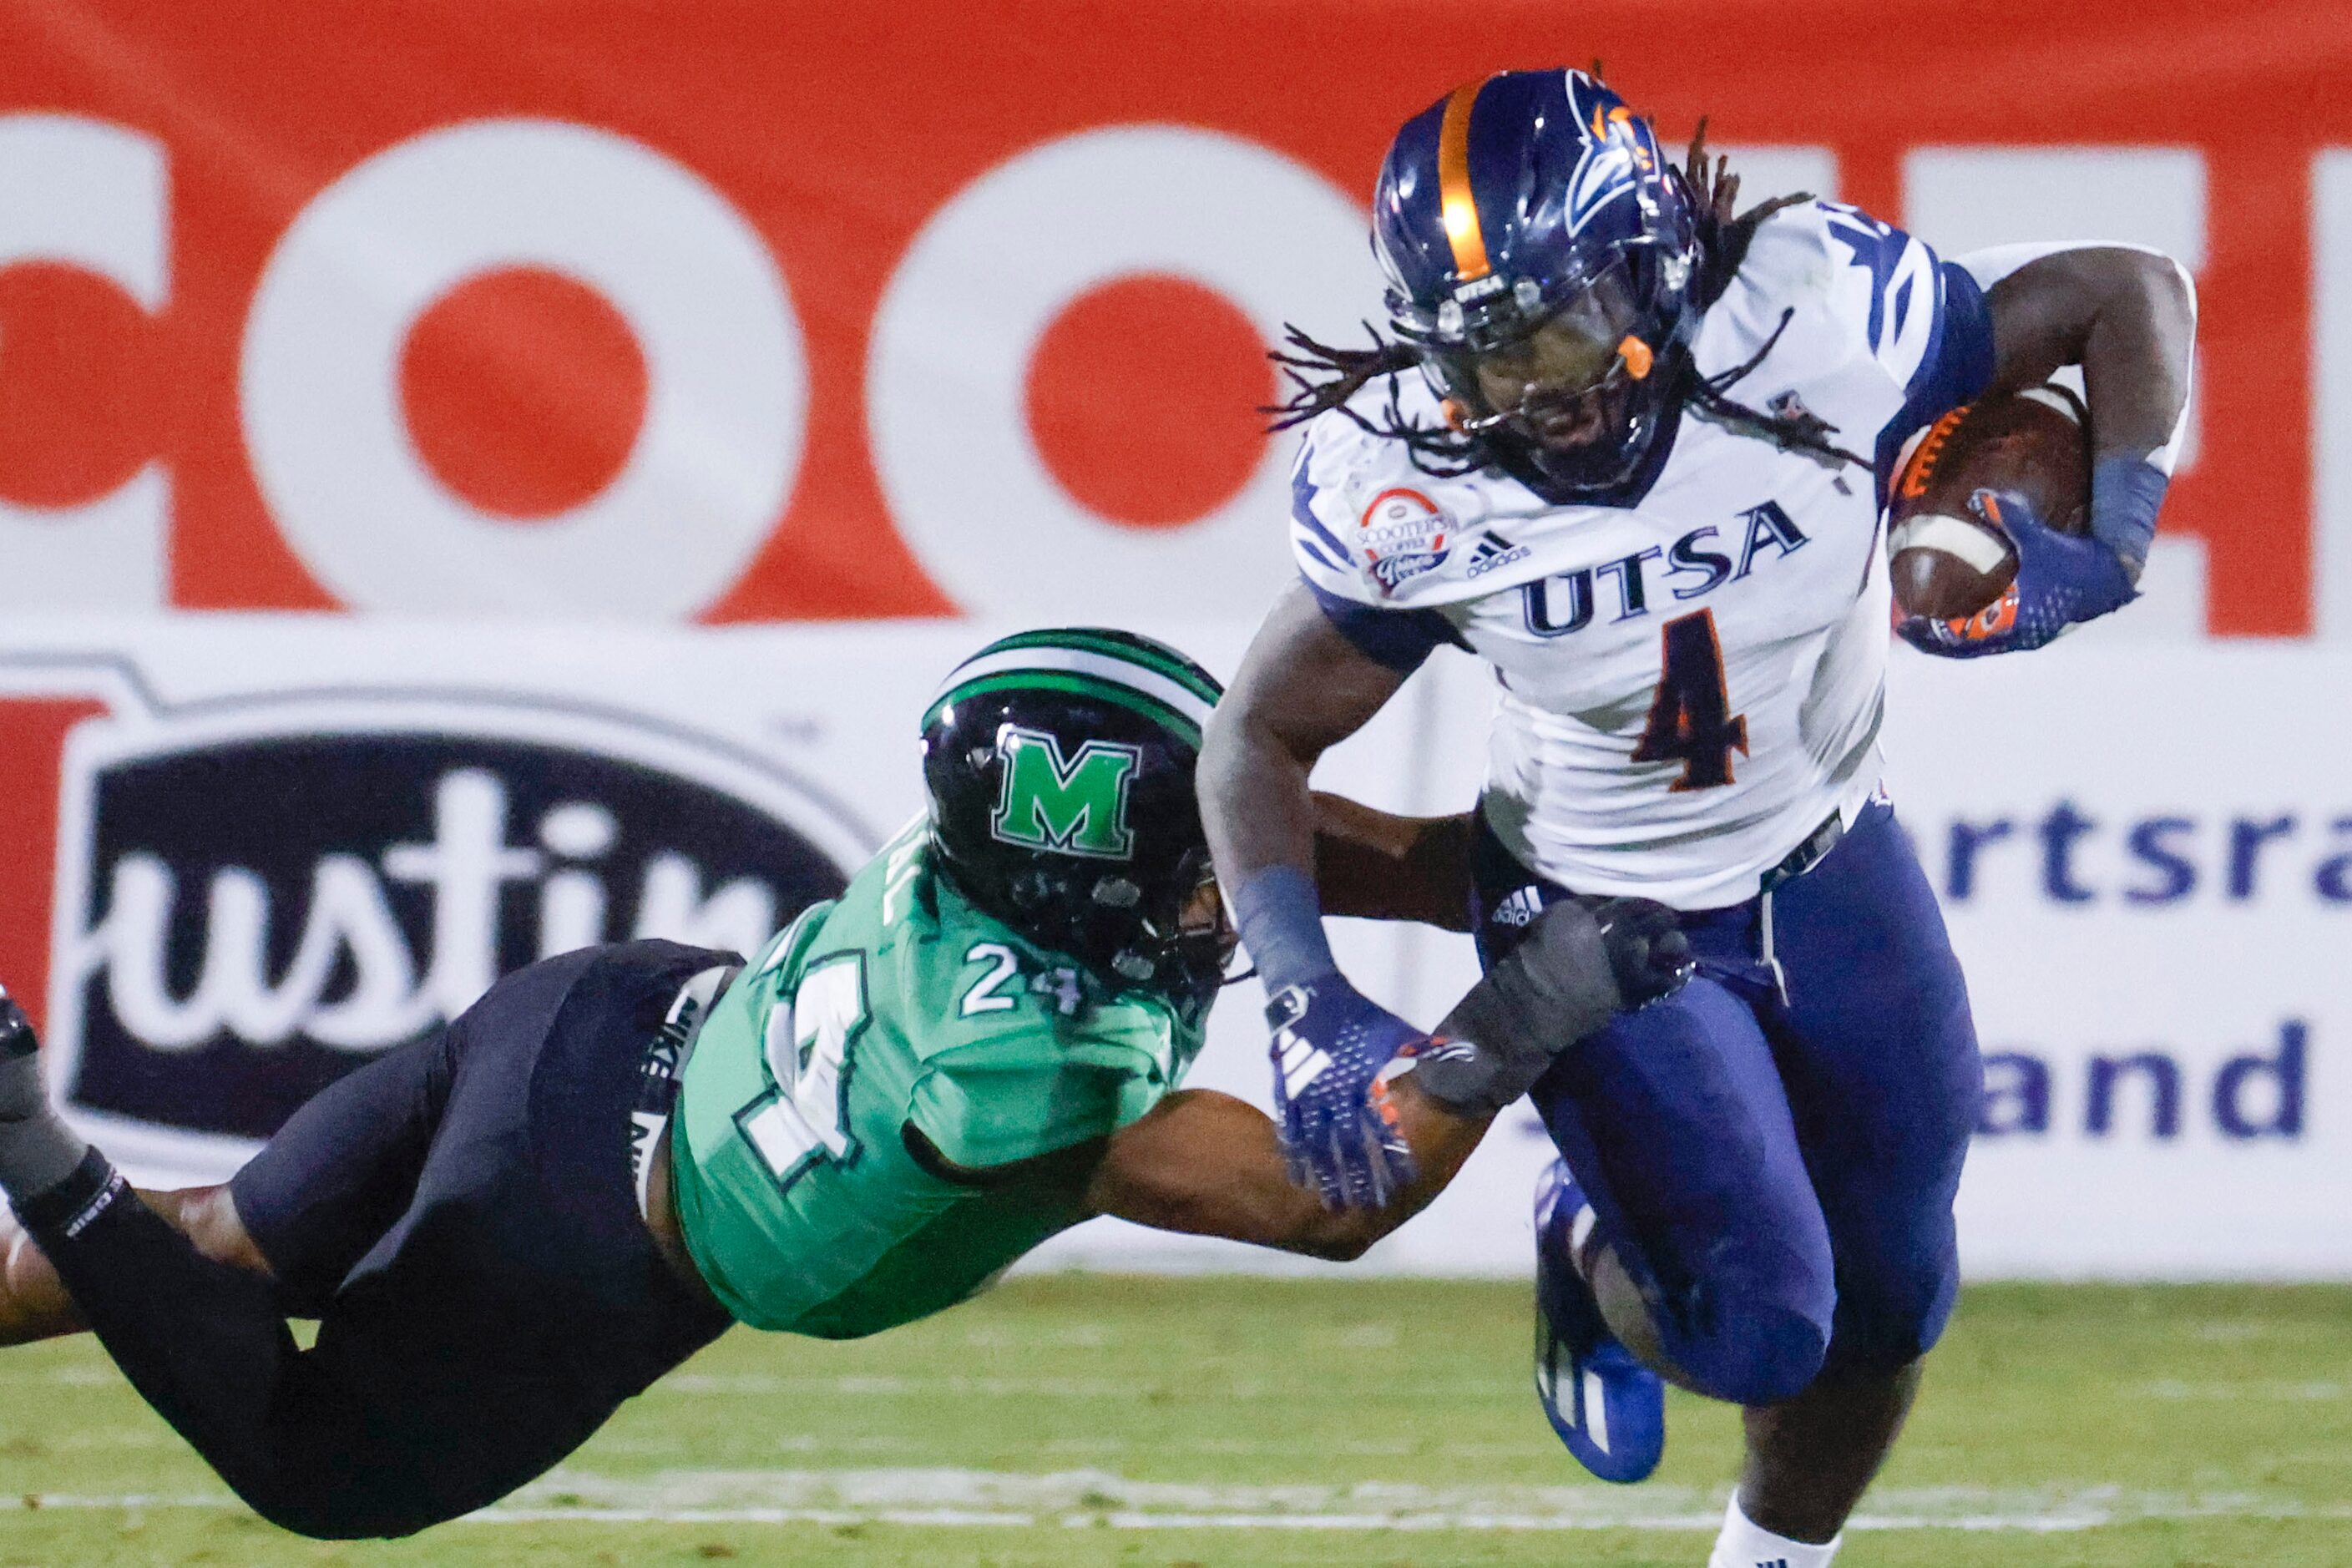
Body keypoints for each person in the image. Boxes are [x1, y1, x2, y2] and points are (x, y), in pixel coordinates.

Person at [0, 625, 1689, 1540]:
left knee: (222, 1237)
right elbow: (1328, 1200)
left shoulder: (1004, 848)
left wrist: (1576, 853)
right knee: (318, 1476)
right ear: (1093, 892)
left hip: (576, 1032)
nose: (1224, 894)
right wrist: (1523, 1009)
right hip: (598, 1237)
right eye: (1189, 877)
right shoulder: (1026, 1075)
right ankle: (38, 1154)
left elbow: (1350, 853)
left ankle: (60, 1188)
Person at [1200, 68, 2195, 1568]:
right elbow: (1257, 735)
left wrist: (2111, 543)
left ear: (1651, 260)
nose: (1529, 393)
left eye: (1553, 330)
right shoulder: (1408, 474)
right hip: (1599, 924)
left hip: (1830, 856)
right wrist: (1300, 993)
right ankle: (1586, 1238)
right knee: (1758, 1327)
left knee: (1895, 1296)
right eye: (1479, 359)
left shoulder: (1812, 311)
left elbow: (2128, 288)